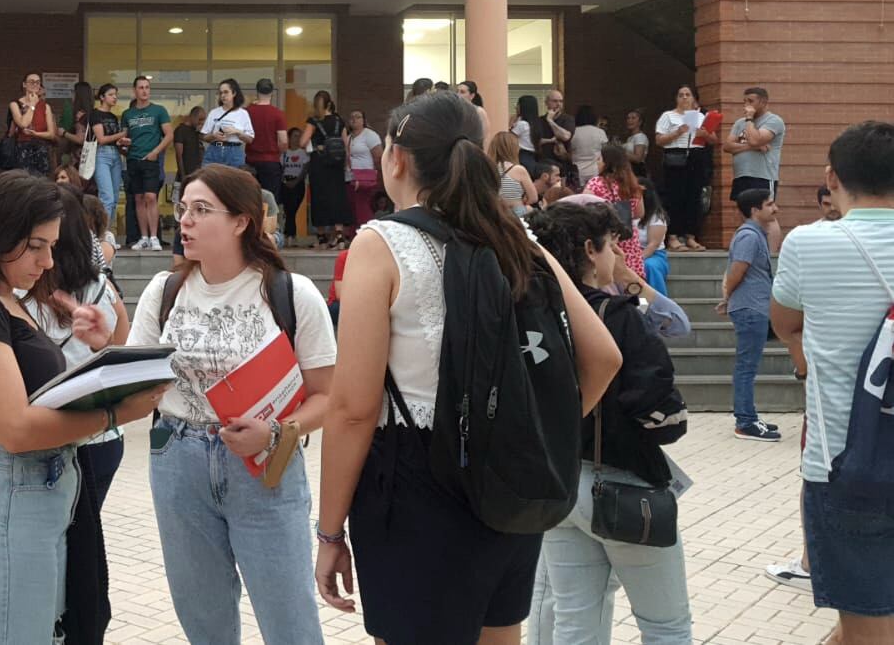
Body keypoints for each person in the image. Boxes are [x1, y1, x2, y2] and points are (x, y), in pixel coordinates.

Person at [315, 92, 621, 645]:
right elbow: (603, 357)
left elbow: (354, 409)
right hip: (505, 477)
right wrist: (532, 426)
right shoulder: (516, 239)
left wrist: (329, 529)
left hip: (414, 482)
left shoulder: (381, 243)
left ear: (397, 159)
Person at [0, 171, 166, 643]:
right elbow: (14, 427)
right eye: (35, 245)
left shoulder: (7, 300)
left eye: (51, 245)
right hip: (13, 490)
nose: (47, 260)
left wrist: (96, 353)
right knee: (17, 629)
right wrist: (116, 414)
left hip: (36, 489)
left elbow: (34, 397)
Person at [127, 164, 334, 645]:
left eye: (202, 210)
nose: (186, 222)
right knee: (204, 618)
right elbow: (137, 379)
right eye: (182, 210)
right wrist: (105, 343)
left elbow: (328, 395)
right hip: (176, 460)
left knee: (289, 620)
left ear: (242, 221)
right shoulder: (165, 291)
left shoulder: (290, 293)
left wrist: (280, 432)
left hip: (264, 467)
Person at [526, 202, 693, 645]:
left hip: (560, 484)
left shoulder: (530, 314)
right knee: (665, 625)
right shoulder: (619, 317)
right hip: (625, 483)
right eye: (611, 245)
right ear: (589, 249)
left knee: (576, 620)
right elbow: (664, 415)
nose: (616, 254)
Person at [770, 121, 894, 643]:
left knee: (865, 627)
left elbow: (785, 320)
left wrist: (808, 364)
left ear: (832, 177)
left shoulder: (806, 244)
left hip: (844, 464)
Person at [24, 184, 129, 510]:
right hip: (103, 435)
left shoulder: (21, 293)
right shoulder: (102, 286)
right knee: (85, 539)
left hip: (48, 437)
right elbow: (119, 347)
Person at [719, 188, 781, 442]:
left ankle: (749, 417)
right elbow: (737, 270)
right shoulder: (749, 236)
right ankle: (745, 422)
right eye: (769, 204)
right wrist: (727, 296)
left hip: (756, 307)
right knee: (746, 367)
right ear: (755, 210)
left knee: (748, 365)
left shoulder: (756, 234)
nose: (774, 209)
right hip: (751, 308)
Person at [655, 84, 710, 251]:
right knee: (675, 197)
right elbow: (659, 140)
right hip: (676, 156)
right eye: (681, 95)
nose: (685, 97)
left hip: (696, 155)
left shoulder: (700, 116)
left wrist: (705, 134)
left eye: (688, 94)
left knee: (693, 197)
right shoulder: (668, 116)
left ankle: (691, 236)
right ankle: (673, 236)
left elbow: (712, 138)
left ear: (694, 98)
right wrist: (677, 132)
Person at [121, 76, 172, 251]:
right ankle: (143, 237)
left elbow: (169, 135)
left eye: (147, 87)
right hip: (133, 159)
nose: (144, 91)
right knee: (138, 198)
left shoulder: (159, 110)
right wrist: (123, 143)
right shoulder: (128, 114)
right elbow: (124, 136)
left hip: (151, 159)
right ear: (134, 91)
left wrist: (155, 152)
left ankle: (154, 237)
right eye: (141, 87)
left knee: (151, 197)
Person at [300, 90, 353, 248]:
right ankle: (339, 235)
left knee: (319, 197)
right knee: (337, 197)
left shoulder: (314, 121)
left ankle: (321, 236)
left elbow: (303, 142)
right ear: (330, 103)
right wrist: (346, 164)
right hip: (336, 164)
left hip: (319, 163)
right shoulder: (339, 121)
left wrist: (315, 145)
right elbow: (345, 145)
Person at [585, 144, 646, 276]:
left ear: (608, 163)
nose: (597, 162)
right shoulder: (632, 184)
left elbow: (585, 209)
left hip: (604, 237)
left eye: (600, 159)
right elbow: (639, 213)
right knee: (630, 280)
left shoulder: (595, 183)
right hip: (628, 238)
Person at [724, 86, 786, 203]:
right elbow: (727, 146)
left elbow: (754, 140)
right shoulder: (739, 123)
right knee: (745, 215)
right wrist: (752, 147)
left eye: (750, 101)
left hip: (762, 177)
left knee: (763, 215)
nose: (746, 105)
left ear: (763, 102)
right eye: (745, 101)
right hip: (741, 176)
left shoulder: (773, 121)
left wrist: (749, 118)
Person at [80, 83, 126, 224]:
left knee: (115, 197)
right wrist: (121, 134)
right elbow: (101, 139)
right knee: (107, 197)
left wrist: (123, 141)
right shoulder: (95, 114)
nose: (114, 97)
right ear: (102, 97)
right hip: (101, 155)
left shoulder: (113, 116)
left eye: (115, 95)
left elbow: (114, 140)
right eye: (111, 95)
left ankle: (109, 234)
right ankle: (103, 235)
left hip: (116, 155)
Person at [9, 72, 59, 177]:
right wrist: (32, 105)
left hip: (41, 148)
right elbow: (23, 123)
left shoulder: (46, 106)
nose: (35, 84)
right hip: (23, 149)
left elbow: (51, 134)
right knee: (25, 182)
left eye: (38, 82)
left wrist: (35, 134)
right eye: (31, 82)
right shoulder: (15, 104)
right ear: (24, 84)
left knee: (42, 184)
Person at [201, 78, 255, 170]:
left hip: (234, 151)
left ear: (234, 93)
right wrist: (214, 135)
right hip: (215, 149)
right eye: (221, 93)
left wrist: (237, 132)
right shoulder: (214, 112)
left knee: (233, 182)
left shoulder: (243, 113)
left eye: (226, 92)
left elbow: (250, 139)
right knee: (209, 180)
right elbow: (204, 136)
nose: (223, 95)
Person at [246, 79, 288, 194]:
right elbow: (283, 141)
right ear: (272, 93)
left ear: (257, 92)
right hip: (271, 162)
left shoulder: (247, 112)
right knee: (270, 201)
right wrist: (280, 152)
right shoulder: (277, 114)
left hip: (250, 162)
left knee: (251, 199)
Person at [347, 109, 384, 227]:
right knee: (352, 206)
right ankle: (354, 236)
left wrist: (376, 174)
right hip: (351, 176)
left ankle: (367, 230)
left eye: (358, 117)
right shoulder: (348, 138)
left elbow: (378, 156)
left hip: (366, 175)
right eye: (351, 117)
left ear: (363, 120)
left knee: (363, 205)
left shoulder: (370, 135)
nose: (354, 119)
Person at [489, 130, 538, 216]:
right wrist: (521, 202)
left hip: (495, 213)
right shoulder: (518, 170)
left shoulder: (488, 168)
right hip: (517, 212)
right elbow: (533, 198)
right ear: (513, 148)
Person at [536, 89, 577, 184]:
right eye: (555, 101)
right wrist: (550, 140)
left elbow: (566, 136)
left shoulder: (568, 119)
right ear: (546, 102)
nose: (558, 104)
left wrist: (550, 121)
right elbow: (535, 141)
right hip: (542, 166)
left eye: (561, 101)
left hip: (562, 167)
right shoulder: (539, 121)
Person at [639, 185, 672, 296]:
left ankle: (658, 304)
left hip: (653, 255)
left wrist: (637, 260)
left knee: (649, 266)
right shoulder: (626, 212)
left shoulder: (656, 216)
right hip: (630, 252)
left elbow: (653, 244)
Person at [280, 126, 309, 244]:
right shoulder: (284, 153)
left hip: (298, 184)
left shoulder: (303, 153)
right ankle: (290, 235)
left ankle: (289, 234)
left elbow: (305, 169)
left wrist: (296, 182)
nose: (297, 139)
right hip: (285, 184)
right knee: (288, 209)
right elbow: (281, 169)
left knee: (293, 209)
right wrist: (284, 181)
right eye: (295, 136)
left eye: (299, 136)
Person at [570, 106, 609, 186]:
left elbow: (569, 152)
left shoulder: (573, 132)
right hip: (596, 170)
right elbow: (606, 152)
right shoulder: (600, 132)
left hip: (578, 171)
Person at [172, 105, 206, 182]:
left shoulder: (196, 131)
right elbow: (179, 155)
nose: (201, 122)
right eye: (200, 119)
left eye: (203, 120)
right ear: (192, 117)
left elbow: (206, 140)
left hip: (199, 172)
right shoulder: (180, 130)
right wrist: (182, 175)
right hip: (187, 172)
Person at [512, 94, 542, 175]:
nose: (516, 107)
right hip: (532, 158)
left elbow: (510, 139)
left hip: (522, 156)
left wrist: (512, 122)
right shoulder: (535, 124)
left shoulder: (522, 124)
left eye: (518, 105)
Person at [623, 109, 650, 177]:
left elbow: (638, 158)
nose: (630, 120)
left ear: (640, 122)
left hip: (636, 171)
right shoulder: (630, 138)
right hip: (628, 170)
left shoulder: (641, 137)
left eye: (633, 118)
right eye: (628, 118)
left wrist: (619, 151)